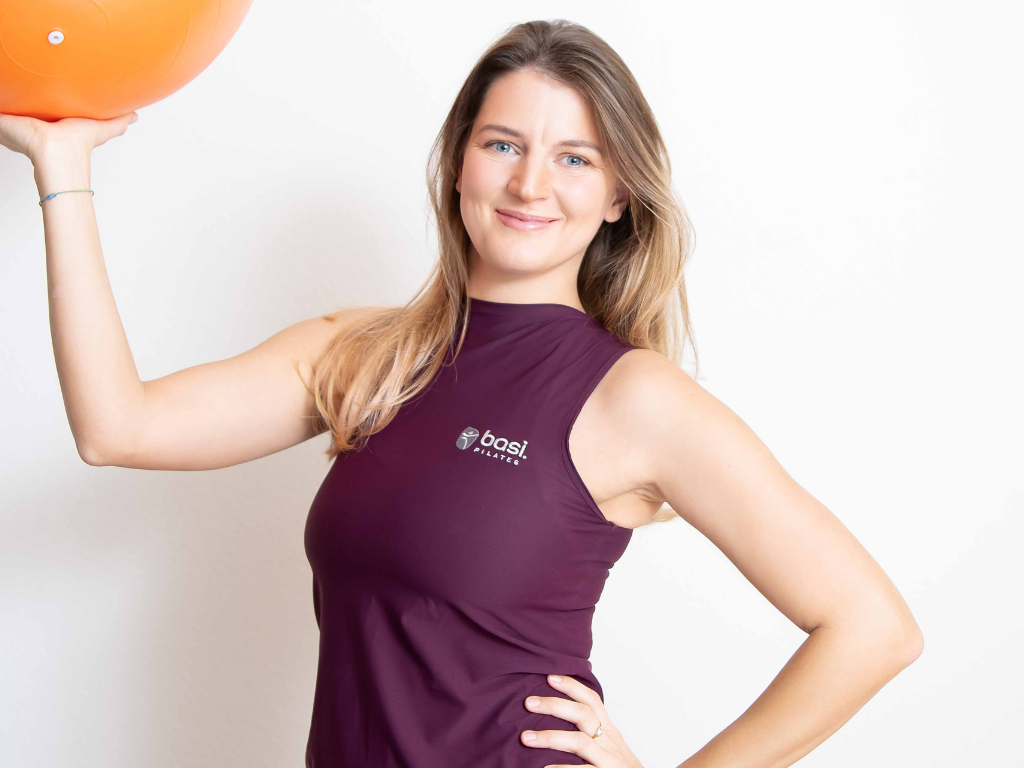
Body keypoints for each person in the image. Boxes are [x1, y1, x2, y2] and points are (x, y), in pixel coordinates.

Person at [1, 18, 923, 768]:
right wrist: (63, 171)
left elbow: (872, 629)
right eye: (503, 144)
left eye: (575, 158)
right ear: (458, 164)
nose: (530, 183)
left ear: (618, 195)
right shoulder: (366, 356)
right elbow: (118, 428)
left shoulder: (635, 398)